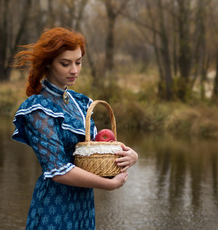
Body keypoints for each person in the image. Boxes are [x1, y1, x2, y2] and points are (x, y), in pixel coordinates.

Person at [12, 27, 138, 229]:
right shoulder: (38, 108)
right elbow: (57, 169)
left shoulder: (80, 103)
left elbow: (98, 147)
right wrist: (108, 184)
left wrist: (130, 155)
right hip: (54, 204)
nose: (74, 70)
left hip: (83, 204)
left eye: (78, 62)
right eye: (65, 63)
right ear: (48, 64)